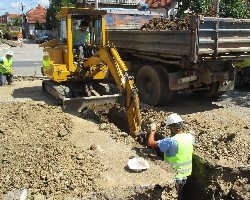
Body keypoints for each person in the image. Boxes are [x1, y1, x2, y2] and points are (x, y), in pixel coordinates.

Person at [147, 113, 195, 200]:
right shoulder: (190, 137)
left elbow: (150, 143)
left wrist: (152, 131)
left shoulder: (171, 141)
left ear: (171, 128)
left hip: (174, 177)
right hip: (185, 176)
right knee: (179, 194)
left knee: (172, 195)